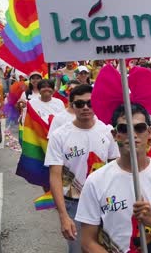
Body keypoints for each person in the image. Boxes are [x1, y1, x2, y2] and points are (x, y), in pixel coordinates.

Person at [76, 103, 151, 253]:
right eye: (124, 129)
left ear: (150, 132)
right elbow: (87, 242)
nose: (132, 134)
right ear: (115, 135)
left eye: (139, 128)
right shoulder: (96, 180)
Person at [45, 84, 119, 253]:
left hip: (105, 203)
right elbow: (55, 176)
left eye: (90, 103)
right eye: (79, 104)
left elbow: (116, 169)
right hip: (74, 205)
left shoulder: (108, 131)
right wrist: (63, 216)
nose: (85, 107)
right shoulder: (59, 136)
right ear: (71, 106)